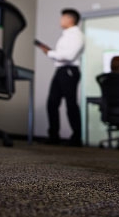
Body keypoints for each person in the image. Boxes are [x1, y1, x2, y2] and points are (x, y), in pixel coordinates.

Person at [36, 9, 85, 146]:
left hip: (69, 71)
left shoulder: (77, 35)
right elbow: (61, 57)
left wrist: (51, 53)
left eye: (62, 18)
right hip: (61, 70)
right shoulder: (66, 35)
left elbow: (69, 56)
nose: (60, 20)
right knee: (52, 103)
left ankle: (76, 138)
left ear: (70, 19)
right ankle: (54, 136)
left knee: (71, 104)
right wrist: (50, 53)